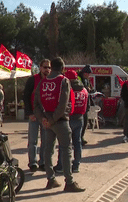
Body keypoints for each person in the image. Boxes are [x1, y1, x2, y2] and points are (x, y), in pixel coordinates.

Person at [34, 57, 85, 192]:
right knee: (66, 150)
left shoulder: (42, 82)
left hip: (47, 121)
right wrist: (53, 119)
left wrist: (43, 119)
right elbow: (63, 103)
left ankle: (50, 179)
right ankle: (69, 181)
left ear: (51, 67)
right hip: (60, 121)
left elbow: (36, 104)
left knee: (47, 150)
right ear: (62, 68)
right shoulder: (63, 81)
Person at [54, 69, 88, 173]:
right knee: (77, 142)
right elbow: (87, 106)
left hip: (67, 118)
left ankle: (61, 166)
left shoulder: (66, 90)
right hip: (80, 118)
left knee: (64, 144)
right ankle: (76, 165)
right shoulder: (84, 90)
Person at [23, 59, 50, 172]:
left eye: (49, 67)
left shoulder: (52, 80)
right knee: (33, 140)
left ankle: (42, 162)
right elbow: (26, 97)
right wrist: (29, 113)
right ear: (40, 67)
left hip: (46, 116)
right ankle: (32, 163)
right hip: (34, 115)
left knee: (45, 140)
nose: (47, 70)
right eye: (45, 67)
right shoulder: (32, 80)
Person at [78, 64, 93, 146]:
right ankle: (78, 138)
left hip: (86, 103)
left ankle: (81, 137)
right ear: (85, 73)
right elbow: (80, 88)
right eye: (88, 73)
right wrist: (87, 89)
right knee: (81, 123)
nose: (89, 75)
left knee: (85, 122)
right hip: (80, 104)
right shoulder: (79, 78)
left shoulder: (86, 80)